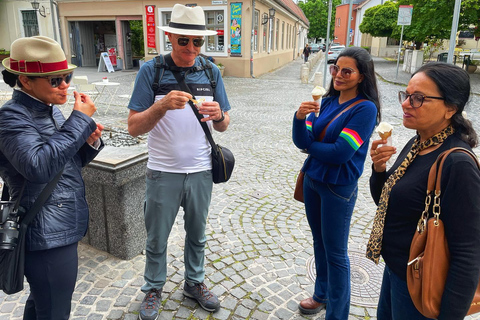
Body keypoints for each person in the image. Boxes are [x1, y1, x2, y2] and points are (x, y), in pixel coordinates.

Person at [127, 4, 231, 319]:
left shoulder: (211, 71)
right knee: (156, 236)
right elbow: (133, 127)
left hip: (201, 171)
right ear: (170, 37)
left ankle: (194, 283)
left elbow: (225, 123)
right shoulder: (152, 71)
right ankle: (153, 288)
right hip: (163, 172)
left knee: (197, 234)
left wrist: (220, 115)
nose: (190, 48)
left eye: (196, 42)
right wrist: (161, 107)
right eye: (183, 40)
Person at [0, 36, 104, 319]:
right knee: (55, 311)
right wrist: (79, 121)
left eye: (67, 76)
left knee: (43, 304)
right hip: (43, 233)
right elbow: (38, 168)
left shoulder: (48, 109)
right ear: (25, 80)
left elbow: (65, 165)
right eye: (55, 80)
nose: (65, 85)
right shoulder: (11, 116)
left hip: (57, 226)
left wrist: (89, 142)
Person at [367, 62, 480, 319]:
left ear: (450, 108)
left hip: (423, 285)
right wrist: (379, 169)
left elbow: (468, 253)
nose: (406, 103)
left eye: (418, 98)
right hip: (397, 271)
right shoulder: (418, 143)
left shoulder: (457, 163)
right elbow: (386, 203)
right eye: (406, 95)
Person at [292, 47, 381, 319]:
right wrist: (298, 118)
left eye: (347, 71)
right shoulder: (327, 102)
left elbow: (342, 153)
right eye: (336, 68)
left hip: (338, 187)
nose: (339, 75)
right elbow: (301, 142)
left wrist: (313, 146)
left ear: (361, 76)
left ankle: (338, 314)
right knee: (319, 243)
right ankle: (321, 295)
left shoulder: (365, 109)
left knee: (336, 253)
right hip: (312, 180)